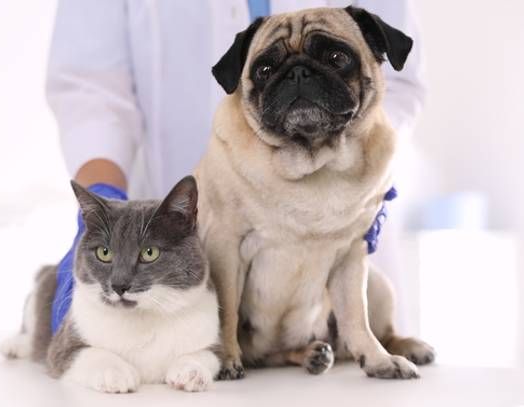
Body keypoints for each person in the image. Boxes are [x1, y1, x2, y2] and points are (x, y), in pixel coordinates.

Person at [45, 0, 425, 334]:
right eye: (269, 71)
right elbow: (90, 89)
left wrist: (368, 175)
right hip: (171, 254)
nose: (299, 78)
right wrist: (103, 206)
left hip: (337, 254)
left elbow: (399, 75)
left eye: (332, 59)